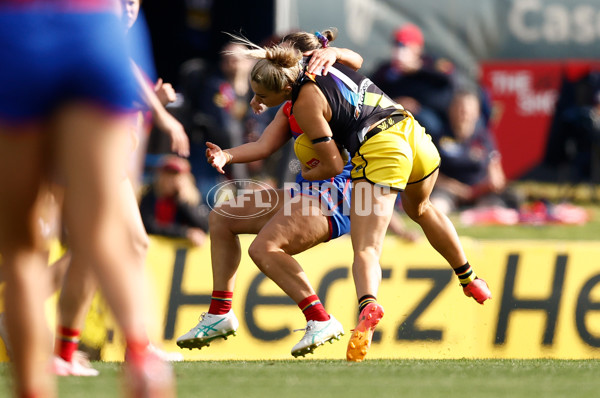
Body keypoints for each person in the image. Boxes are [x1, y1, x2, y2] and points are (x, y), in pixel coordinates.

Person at [226, 31, 492, 362]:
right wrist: (332, 52)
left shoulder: (307, 97)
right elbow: (357, 60)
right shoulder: (334, 63)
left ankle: (368, 306)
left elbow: (332, 164)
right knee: (420, 209)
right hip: (414, 135)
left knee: (366, 248)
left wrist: (310, 172)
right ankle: (469, 277)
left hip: (379, 147)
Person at [0, 0, 174, 397]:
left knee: (23, 247)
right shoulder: (116, 18)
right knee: (104, 236)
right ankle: (141, 355)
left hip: (17, 28)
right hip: (93, 31)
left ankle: (36, 380)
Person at [176, 30, 363, 358]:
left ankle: (320, 319)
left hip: (339, 191)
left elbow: (334, 164)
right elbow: (263, 146)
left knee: (264, 249)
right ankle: (220, 313)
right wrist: (226, 156)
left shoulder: (314, 97)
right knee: (222, 216)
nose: (256, 99)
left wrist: (336, 52)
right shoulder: (293, 102)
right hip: (311, 188)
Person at [49, 0, 187, 378]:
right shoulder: (98, 32)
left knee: (131, 245)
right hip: (91, 155)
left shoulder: (120, 40)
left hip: (113, 160)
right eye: (122, 2)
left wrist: (153, 105)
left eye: (134, 3)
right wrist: (162, 116)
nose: (129, 9)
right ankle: (63, 346)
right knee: (91, 250)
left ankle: (131, 348)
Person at [430, 90, 518, 214]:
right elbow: (431, 174)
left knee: (494, 212)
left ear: (476, 113)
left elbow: (497, 175)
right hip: (448, 191)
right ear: (451, 110)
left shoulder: (485, 138)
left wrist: (479, 190)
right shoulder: (439, 137)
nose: (463, 113)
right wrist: (459, 190)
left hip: (481, 194)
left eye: (468, 109)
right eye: (459, 108)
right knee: (436, 208)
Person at [370, 23, 457, 139]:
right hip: (395, 115)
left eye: (402, 45)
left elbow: (449, 81)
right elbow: (371, 91)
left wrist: (418, 69)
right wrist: (396, 102)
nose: (398, 50)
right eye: (395, 44)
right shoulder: (386, 70)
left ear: (417, 48)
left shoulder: (431, 63)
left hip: (429, 121)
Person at [139, 154, 209, 246]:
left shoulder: (192, 199)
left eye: (176, 175)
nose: (171, 179)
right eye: (168, 174)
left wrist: (183, 202)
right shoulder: (150, 195)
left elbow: (204, 226)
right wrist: (185, 233)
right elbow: (148, 225)